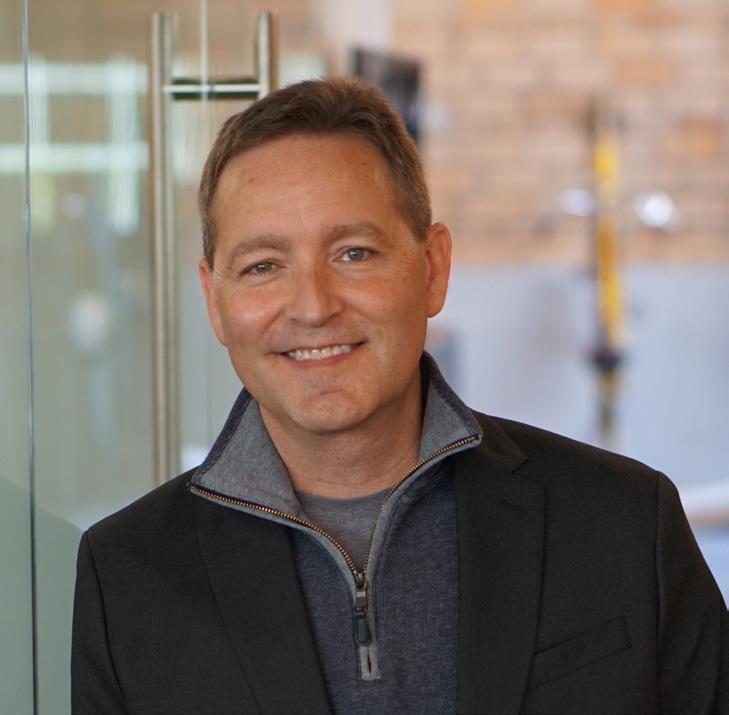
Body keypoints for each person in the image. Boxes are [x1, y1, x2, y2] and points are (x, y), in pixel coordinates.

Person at [72, 77, 728, 715]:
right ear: (214, 300)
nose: (313, 306)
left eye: (354, 253)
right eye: (263, 266)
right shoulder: (128, 575)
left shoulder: (624, 522)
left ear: (432, 267)